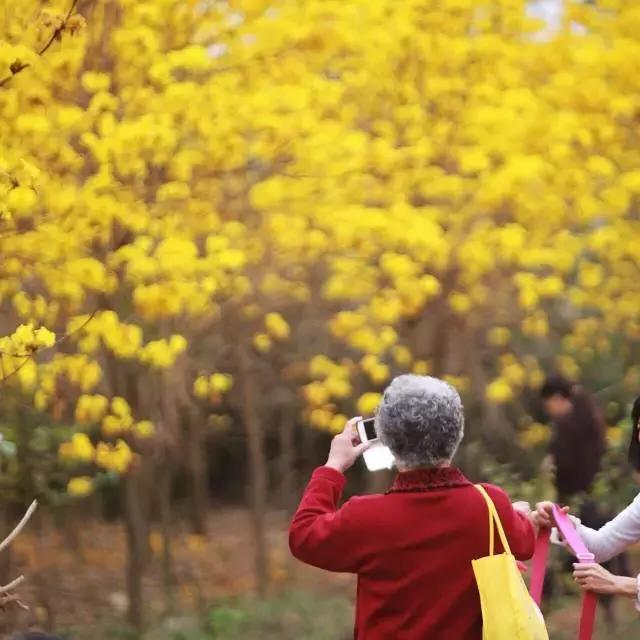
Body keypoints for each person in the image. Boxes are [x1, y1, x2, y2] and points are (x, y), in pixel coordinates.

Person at [289, 374, 537, 640]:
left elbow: (304, 535)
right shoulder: (490, 506)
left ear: (386, 438)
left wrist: (333, 466)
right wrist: (520, 516)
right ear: (457, 433)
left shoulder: (366, 517)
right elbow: (525, 542)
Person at [539, 375, 629, 624]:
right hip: (592, 498)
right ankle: (609, 612)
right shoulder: (586, 415)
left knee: (574, 557)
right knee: (597, 554)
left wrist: (553, 468)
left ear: (557, 399)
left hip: (580, 500)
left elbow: (570, 466)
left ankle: (540, 605)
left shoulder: (573, 423)